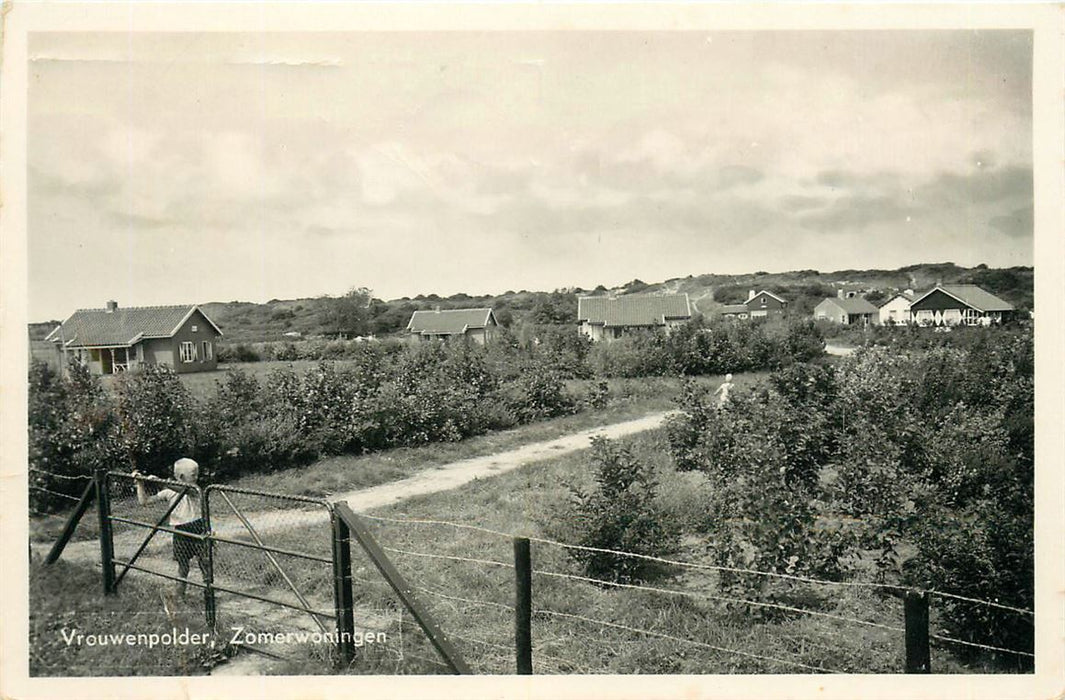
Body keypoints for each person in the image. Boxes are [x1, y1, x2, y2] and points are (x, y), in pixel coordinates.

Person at [132, 457, 209, 596]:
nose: (197, 477)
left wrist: (161, 482)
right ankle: (180, 595)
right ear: (181, 476)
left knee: (205, 563)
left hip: (198, 527)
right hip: (181, 530)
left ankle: (208, 592)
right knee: (183, 566)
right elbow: (144, 502)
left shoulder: (196, 490)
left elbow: (185, 490)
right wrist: (140, 483)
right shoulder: (169, 491)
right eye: (193, 475)